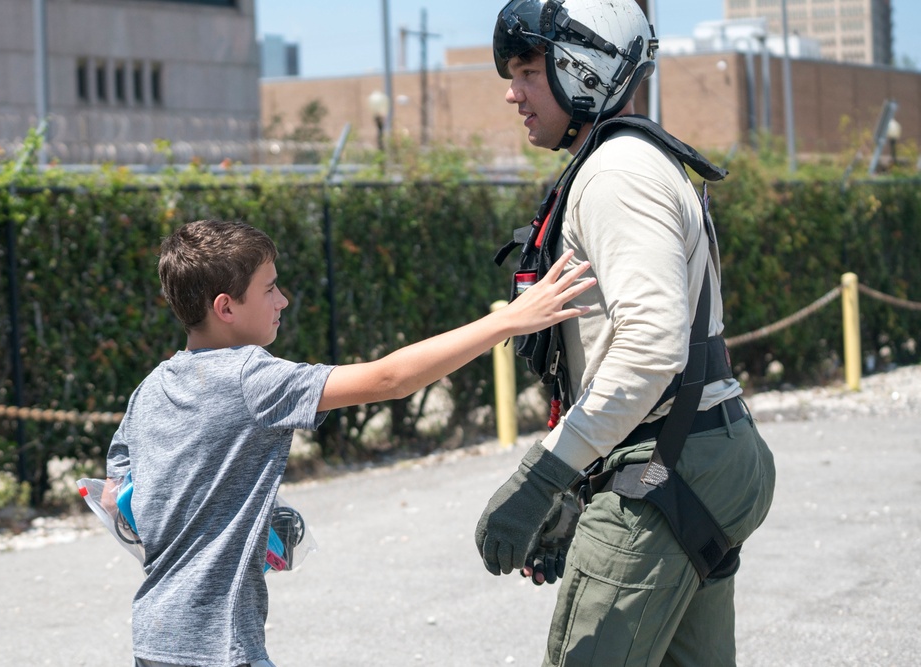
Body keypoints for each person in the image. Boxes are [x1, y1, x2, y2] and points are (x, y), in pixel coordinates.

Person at [104, 218, 596, 667]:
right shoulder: (250, 378)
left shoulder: (153, 387)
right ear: (225, 307)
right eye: (270, 289)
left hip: (155, 635)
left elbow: (116, 496)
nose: (283, 300)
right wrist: (507, 321)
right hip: (219, 645)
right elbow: (388, 379)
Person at [474, 1, 776, 666]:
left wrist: (543, 476)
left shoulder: (616, 174)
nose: (511, 91)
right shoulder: (632, 161)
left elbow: (649, 346)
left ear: (585, 70)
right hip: (693, 452)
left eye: (527, 70)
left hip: (664, 460)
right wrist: (585, 480)